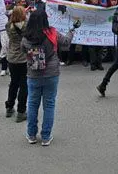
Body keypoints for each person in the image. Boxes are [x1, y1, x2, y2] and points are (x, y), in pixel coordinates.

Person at [21, 10, 78, 146]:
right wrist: (72, 30)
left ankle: (31, 135)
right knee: (49, 104)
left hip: (33, 73)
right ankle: (46, 136)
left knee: (33, 103)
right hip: (51, 72)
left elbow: (23, 50)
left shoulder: (26, 38)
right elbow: (65, 43)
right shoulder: (52, 33)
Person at [5, 6, 28, 122]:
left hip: (12, 58)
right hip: (23, 58)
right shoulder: (25, 26)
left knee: (13, 83)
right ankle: (21, 111)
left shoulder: (9, 26)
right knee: (24, 85)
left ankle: (9, 107)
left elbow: (7, 23)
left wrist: (11, 15)